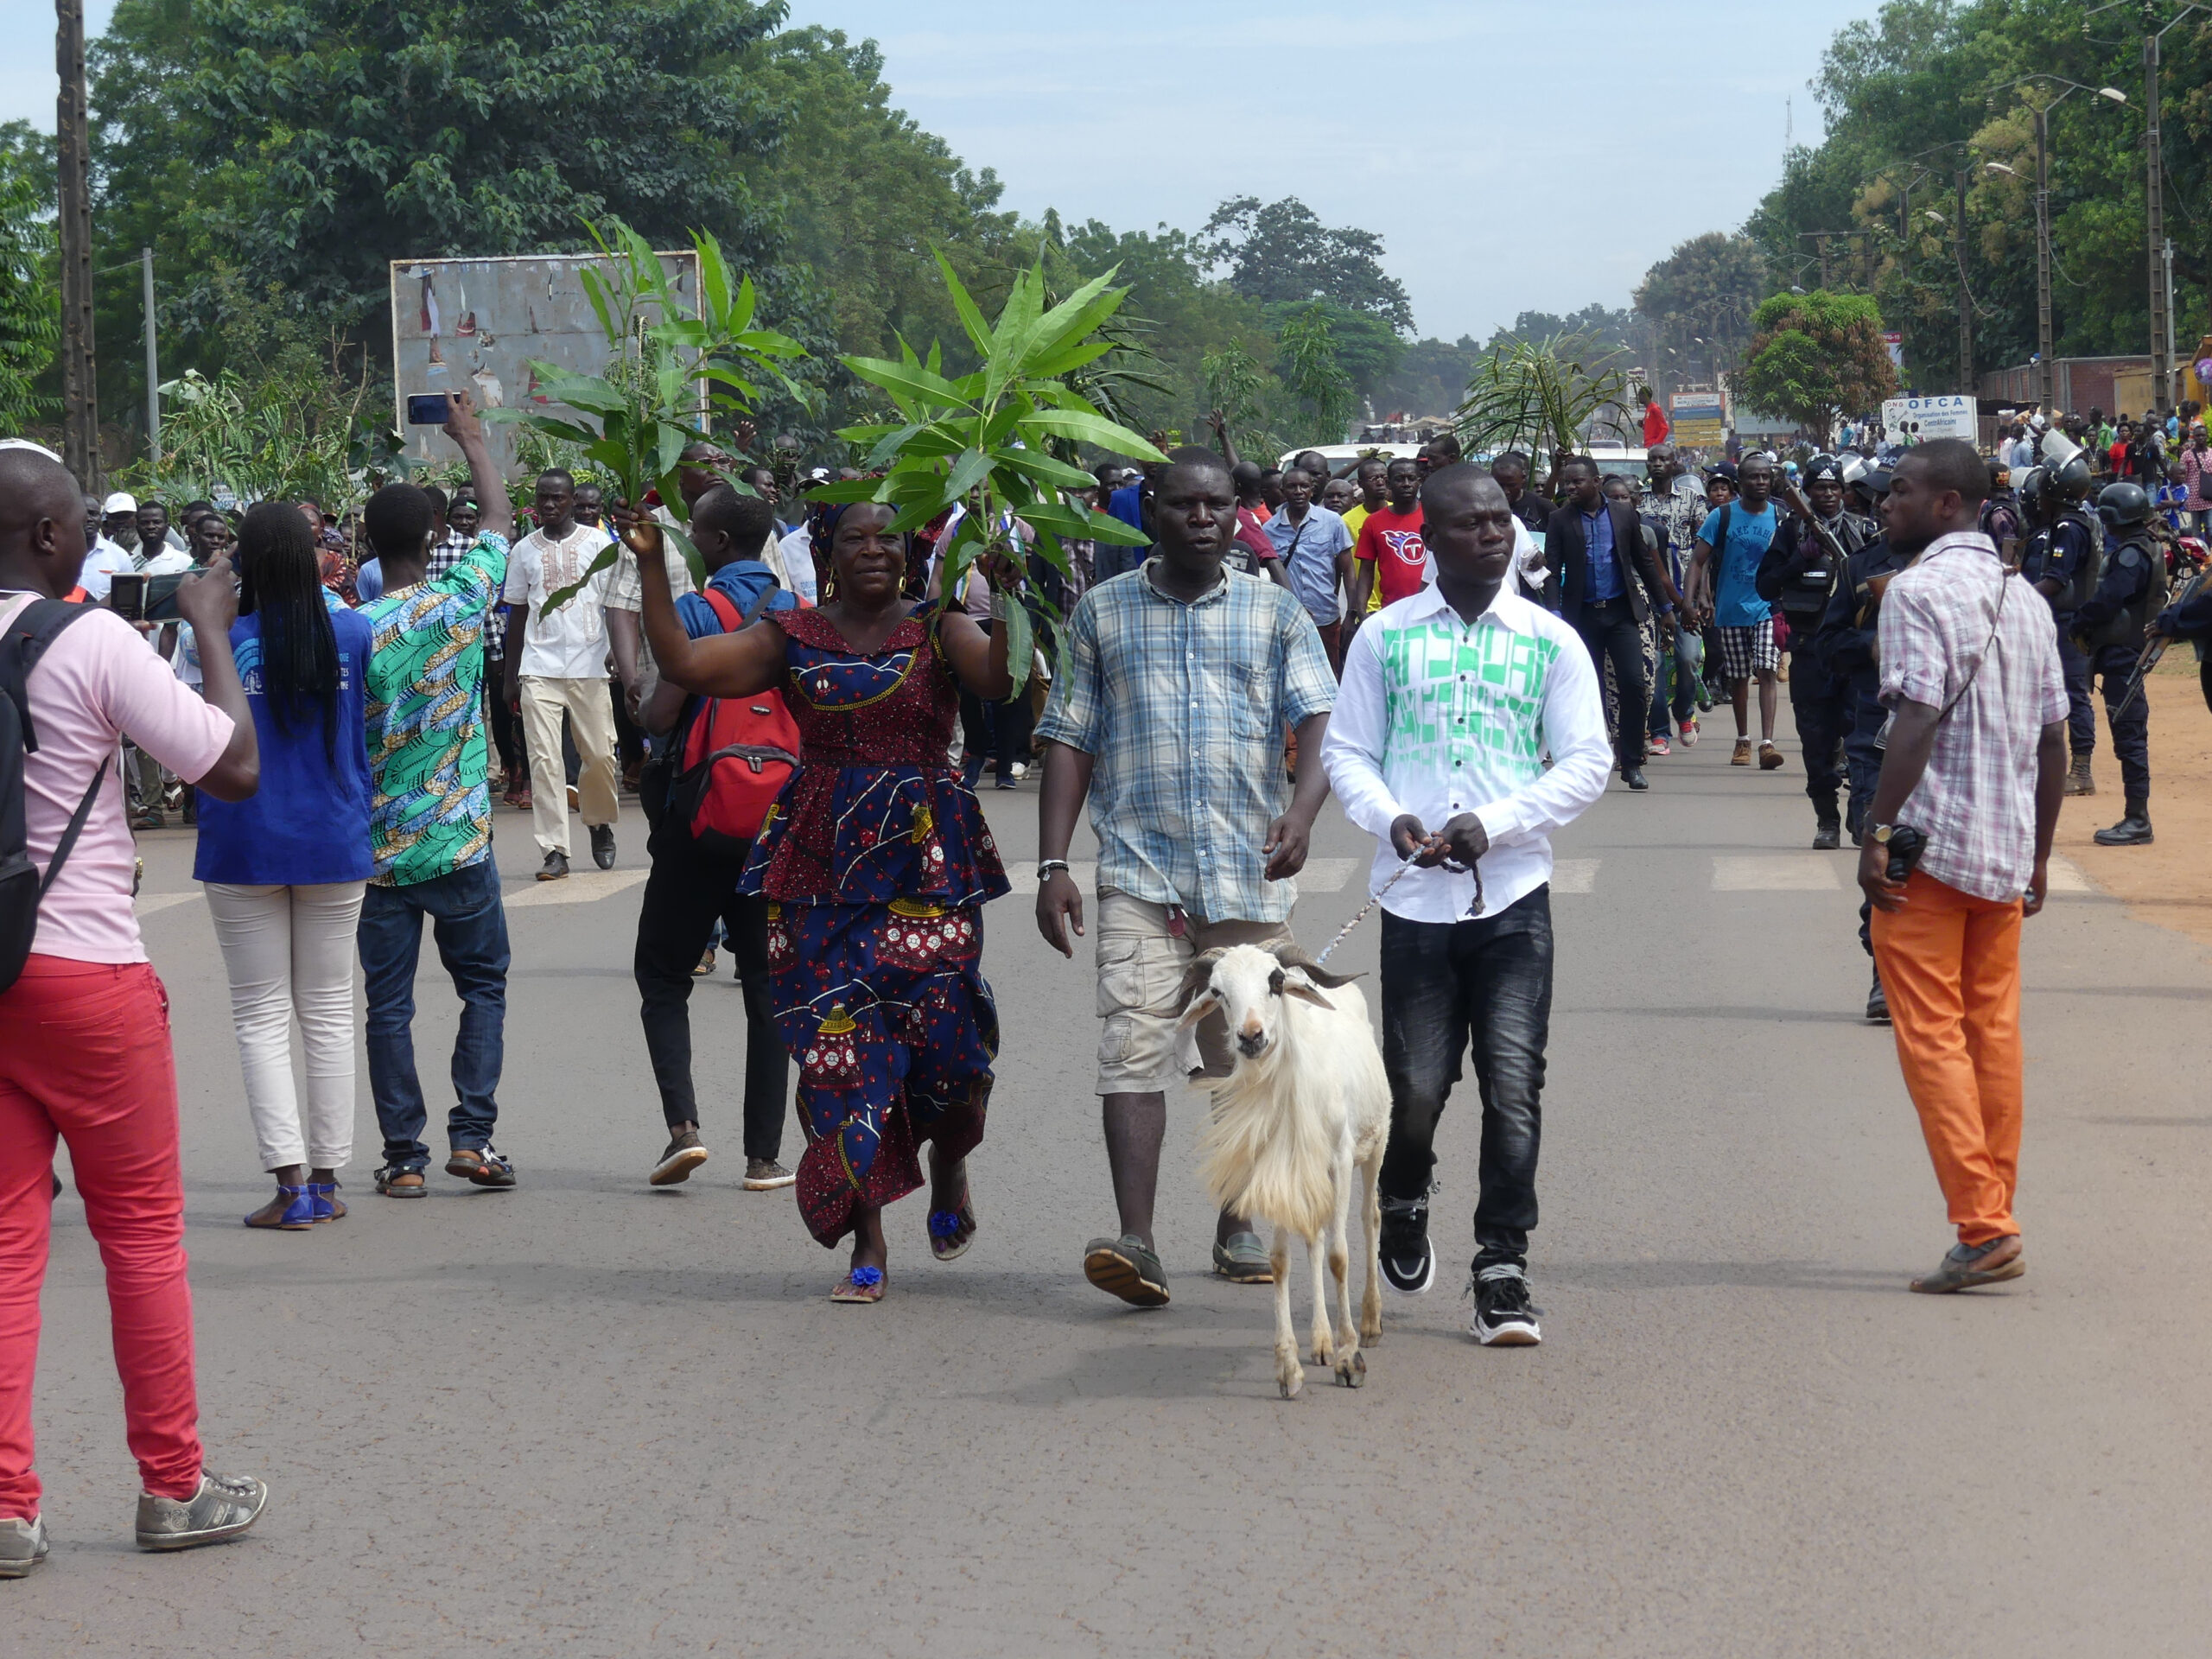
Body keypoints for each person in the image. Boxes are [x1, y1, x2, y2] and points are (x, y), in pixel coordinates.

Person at [632, 493, 1013, 1302]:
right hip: (820, 862)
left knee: (949, 1050)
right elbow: (685, 667)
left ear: (907, 549)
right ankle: (867, 1237)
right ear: (826, 550)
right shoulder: (793, 635)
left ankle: (949, 1162)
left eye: (885, 537)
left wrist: (1006, 595)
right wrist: (647, 565)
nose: (872, 549)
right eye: (853, 538)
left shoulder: (940, 627)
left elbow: (999, 678)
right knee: (844, 1057)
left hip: (926, 861)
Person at [0, 446, 268, 1572]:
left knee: (7, 1248)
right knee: (142, 1237)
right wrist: (207, 623)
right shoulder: (95, 639)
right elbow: (234, 766)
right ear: (57, 539)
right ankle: (173, 1486)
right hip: (88, 973)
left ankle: (8, 1508)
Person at [1034, 448, 1335, 1306]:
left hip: (1249, 875)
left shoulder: (1275, 615)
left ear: (1238, 512)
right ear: (1151, 513)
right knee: (1132, 1044)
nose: (1201, 518)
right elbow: (1069, 738)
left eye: (1216, 505)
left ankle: (1237, 1221)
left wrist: (1303, 813)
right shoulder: (1103, 613)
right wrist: (1054, 863)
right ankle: (1136, 1240)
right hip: (1140, 873)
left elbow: (1318, 721)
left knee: (1243, 1056)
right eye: (1182, 505)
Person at [1322, 463, 1610, 1343]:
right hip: (1411, 904)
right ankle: (1401, 1196)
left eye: (1500, 520)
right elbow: (1346, 753)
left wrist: (1498, 820)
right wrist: (1392, 819)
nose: (1491, 532)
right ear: (1430, 539)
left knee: (1514, 1086)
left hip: (1513, 900)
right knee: (1413, 1088)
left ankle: (1501, 1269)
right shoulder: (1385, 638)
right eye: (1470, 523)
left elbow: (1585, 761)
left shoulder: (1550, 641)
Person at [1858, 440, 2067, 1294]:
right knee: (1993, 1036)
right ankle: (1992, 1218)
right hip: (2005, 852)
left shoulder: (1914, 592)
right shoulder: (2024, 598)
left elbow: (1912, 722)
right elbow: (2054, 737)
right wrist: (2041, 854)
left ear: (1947, 503)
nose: (1884, 504)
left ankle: (1983, 1227)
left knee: (1933, 1039)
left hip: (1929, 851)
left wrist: (1874, 832)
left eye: (1899, 492)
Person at [194, 502, 373, 1230]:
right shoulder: (354, 631)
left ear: (244, 565)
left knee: (259, 1016)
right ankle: (329, 1182)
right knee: (330, 1011)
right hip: (334, 835)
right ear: (313, 556)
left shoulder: (223, 636)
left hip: (244, 839)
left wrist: (213, 591)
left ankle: (291, 1185)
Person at [355, 391, 518, 1198]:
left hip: (380, 851)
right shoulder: (461, 603)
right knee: (481, 985)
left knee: (389, 1006)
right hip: (459, 840)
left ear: (364, 544)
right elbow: (498, 521)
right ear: (430, 540)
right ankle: (473, 1139)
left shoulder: (353, 630)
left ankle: (403, 1159)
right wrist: (472, 441)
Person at [627, 486, 798, 1192]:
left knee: (663, 974)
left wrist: (641, 703)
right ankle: (765, 1157)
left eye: (696, 533)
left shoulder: (697, 613)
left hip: (700, 820)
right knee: (765, 987)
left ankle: (684, 1131)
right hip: (774, 823)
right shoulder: (798, 618)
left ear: (719, 542)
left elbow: (663, 717)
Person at [502, 468, 620, 880]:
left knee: (600, 754)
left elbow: (616, 605)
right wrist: (509, 675)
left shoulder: (599, 544)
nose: (549, 505)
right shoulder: (524, 551)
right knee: (545, 761)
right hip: (539, 667)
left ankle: (599, 821)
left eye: (558, 498)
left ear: (572, 500)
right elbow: (517, 611)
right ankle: (554, 850)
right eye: (542, 498)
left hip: (590, 664)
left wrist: (619, 655)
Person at [1756, 455, 1877, 847]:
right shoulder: (1791, 531)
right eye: (1819, 488)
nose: (1827, 494)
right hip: (1809, 652)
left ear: (1844, 491)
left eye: (1834, 487)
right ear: (1805, 493)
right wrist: (1800, 558)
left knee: (1861, 738)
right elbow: (1766, 586)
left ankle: (1861, 815)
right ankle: (1826, 819)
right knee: (1816, 741)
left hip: (1854, 653)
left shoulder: (1865, 530)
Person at [1546, 455, 1674, 791]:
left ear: (1596, 481)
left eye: (1577, 482)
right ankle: (1586, 761)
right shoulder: (1559, 520)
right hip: (1580, 616)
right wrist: (1554, 615)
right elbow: (1550, 572)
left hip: (1620, 613)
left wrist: (1666, 608)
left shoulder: (1622, 514)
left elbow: (1645, 564)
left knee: (1634, 684)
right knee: (1585, 691)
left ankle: (1631, 762)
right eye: (1566, 482)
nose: (1570, 488)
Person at [2072, 480, 2165, 846]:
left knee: (2129, 735)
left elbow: (2109, 599)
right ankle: (2135, 815)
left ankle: (2137, 818)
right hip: (2125, 652)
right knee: (2129, 734)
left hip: (2124, 655)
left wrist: (2080, 621)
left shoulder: (2130, 554)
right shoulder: (2142, 546)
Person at [1688, 453, 1786, 769]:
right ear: (1739, 483)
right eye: (1753, 477)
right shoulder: (1722, 516)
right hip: (1730, 610)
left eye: (1765, 477)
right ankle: (1743, 739)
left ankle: (1767, 743)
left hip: (1768, 608)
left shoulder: (1781, 517)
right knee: (1739, 677)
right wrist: (1692, 601)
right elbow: (1697, 561)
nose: (1760, 482)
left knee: (1767, 669)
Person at [1264, 465, 1356, 672]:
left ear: (1312, 490)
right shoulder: (1269, 529)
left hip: (1325, 616)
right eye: (1292, 486)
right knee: (1293, 675)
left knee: (1331, 675)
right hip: (1288, 619)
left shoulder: (1332, 522)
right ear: (1282, 490)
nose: (1298, 492)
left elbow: (1348, 569)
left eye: (1304, 486)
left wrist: (1352, 612)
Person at [1348, 456, 1428, 616]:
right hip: (1391, 611)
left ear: (1419, 482)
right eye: (1399, 479)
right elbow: (1366, 571)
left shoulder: (1433, 516)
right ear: (1388, 483)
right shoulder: (1373, 522)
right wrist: (1361, 612)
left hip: (1431, 608)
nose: (1406, 484)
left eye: (1411, 479)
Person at [78, 494, 137, 600]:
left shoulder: (119, 556)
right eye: (83, 514)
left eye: (93, 514)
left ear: (100, 518)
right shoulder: (57, 555)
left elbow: (129, 597)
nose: (89, 519)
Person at [1490, 451, 1551, 535]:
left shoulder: (1542, 507)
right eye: (1499, 485)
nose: (1505, 491)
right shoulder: (1482, 507)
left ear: (1523, 479)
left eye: (1511, 485)